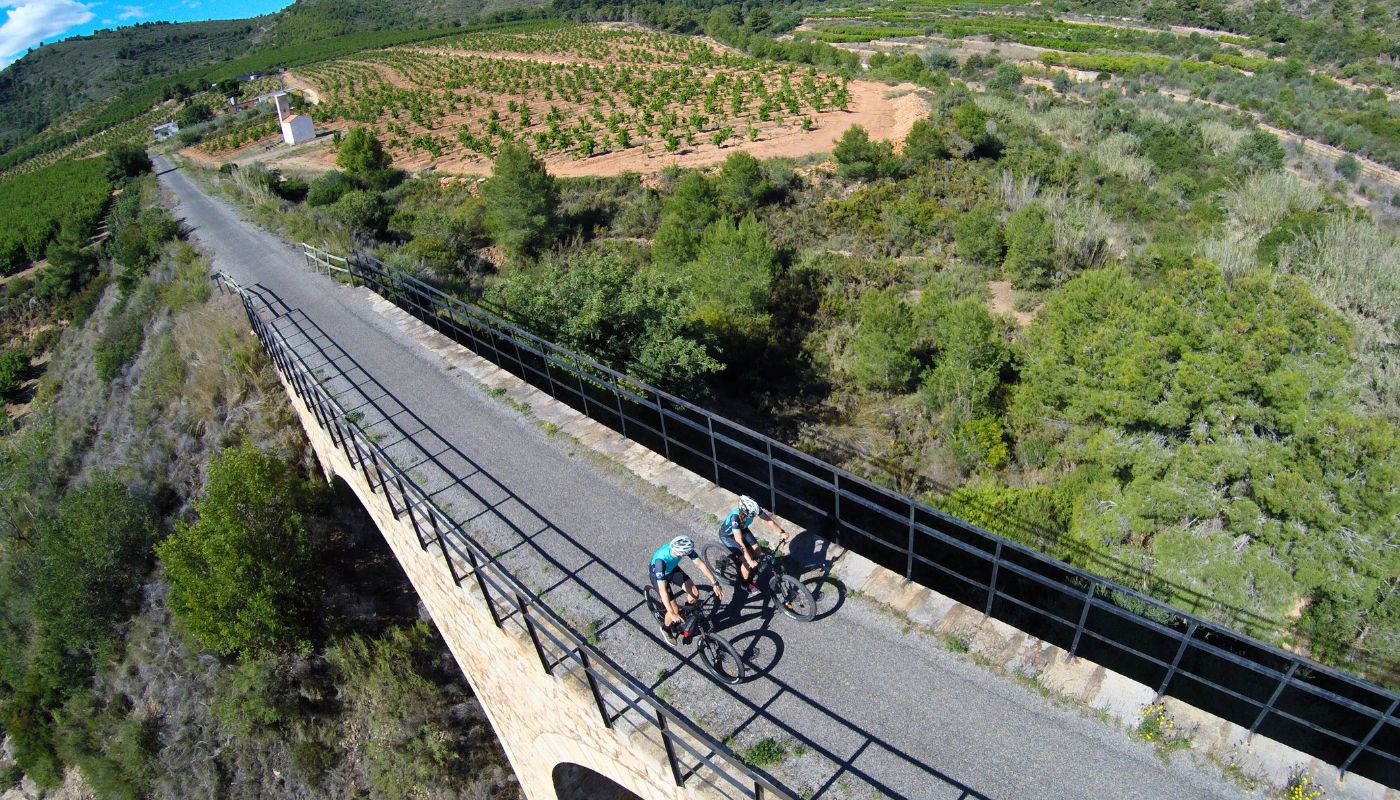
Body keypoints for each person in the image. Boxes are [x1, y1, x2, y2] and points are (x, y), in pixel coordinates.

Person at [649, 535, 723, 634]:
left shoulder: (682, 549)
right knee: (674, 610)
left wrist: (715, 583)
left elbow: (700, 564)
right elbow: (662, 590)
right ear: (681, 553)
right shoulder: (660, 561)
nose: (690, 553)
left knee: (694, 593)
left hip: (671, 569)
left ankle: (687, 611)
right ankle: (666, 629)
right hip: (659, 575)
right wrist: (672, 613)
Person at [719, 495, 788, 589]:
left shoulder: (753, 508)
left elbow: (769, 520)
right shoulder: (735, 518)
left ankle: (750, 568)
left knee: (757, 550)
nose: (754, 516)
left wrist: (781, 532)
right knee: (746, 562)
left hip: (742, 529)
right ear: (744, 511)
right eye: (752, 515)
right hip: (728, 536)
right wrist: (749, 560)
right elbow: (739, 542)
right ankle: (744, 584)